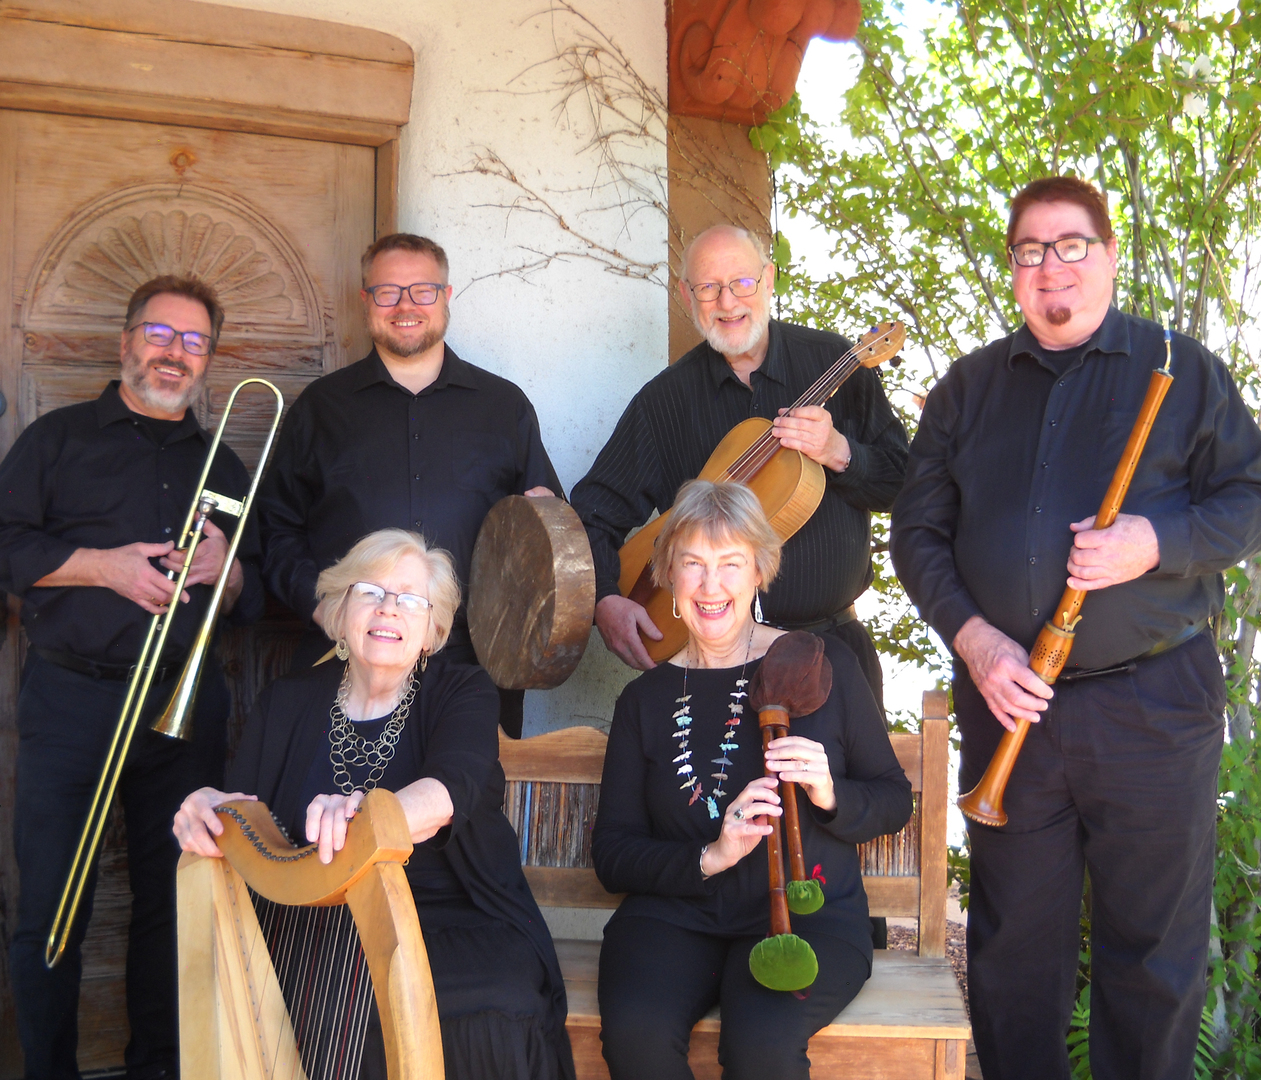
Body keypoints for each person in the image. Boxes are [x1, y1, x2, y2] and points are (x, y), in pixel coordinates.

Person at [890, 175, 1261, 1080]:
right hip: (1008, 703)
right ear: (1013, 268)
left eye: (1070, 246)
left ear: (1109, 255)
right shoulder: (967, 388)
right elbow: (916, 535)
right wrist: (974, 641)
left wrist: (1153, 543)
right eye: (1030, 251)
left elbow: (1248, 498)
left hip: (1152, 704)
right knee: (1014, 953)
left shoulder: (1181, 370)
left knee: (1152, 958)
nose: (1049, 267)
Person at [174, 528, 576, 1080]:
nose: (389, 608)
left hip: (451, 917)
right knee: (310, 1006)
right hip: (318, 923)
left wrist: (368, 819)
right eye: (370, 592)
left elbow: (447, 791)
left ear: (432, 630)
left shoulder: (463, 691)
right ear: (340, 613)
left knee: (496, 1005)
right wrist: (208, 808)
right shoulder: (286, 702)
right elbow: (246, 822)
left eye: (411, 599)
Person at [0, 275, 264, 1080]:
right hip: (71, 700)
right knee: (50, 905)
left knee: (174, 906)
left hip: (181, 704)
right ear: (126, 342)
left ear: (208, 359)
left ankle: (158, 1069)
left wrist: (229, 571)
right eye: (160, 334)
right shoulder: (56, 440)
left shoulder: (225, 463)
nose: (174, 352)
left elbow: (252, 597)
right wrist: (102, 566)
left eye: (194, 341)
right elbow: (6, 546)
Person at [592, 480, 911, 1080]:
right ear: (668, 577)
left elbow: (894, 798)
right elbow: (612, 854)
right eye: (693, 564)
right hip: (676, 916)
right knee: (637, 1036)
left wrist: (829, 793)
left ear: (760, 572)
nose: (710, 585)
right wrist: (710, 856)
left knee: (761, 1047)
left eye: (731, 564)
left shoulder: (821, 664)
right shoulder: (644, 700)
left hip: (809, 920)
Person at [570, 224, 908, 710]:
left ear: (768, 280)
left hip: (832, 654)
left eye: (742, 283)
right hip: (709, 663)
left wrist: (841, 453)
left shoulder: (838, 362)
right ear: (686, 296)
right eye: (708, 287)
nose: (727, 302)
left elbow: (903, 483)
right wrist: (605, 599)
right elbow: (592, 515)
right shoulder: (664, 401)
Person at [257, 233, 562, 736]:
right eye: (387, 292)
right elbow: (275, 528)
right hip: (344, 659)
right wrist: (321, 606)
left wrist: (548, 520)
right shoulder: (320, 408)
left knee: (462, 790)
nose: (405, 306)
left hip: (474, 665)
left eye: (422, 290)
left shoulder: (503, 406)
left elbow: (545, 536)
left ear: (446, 296)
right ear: (365, 301)